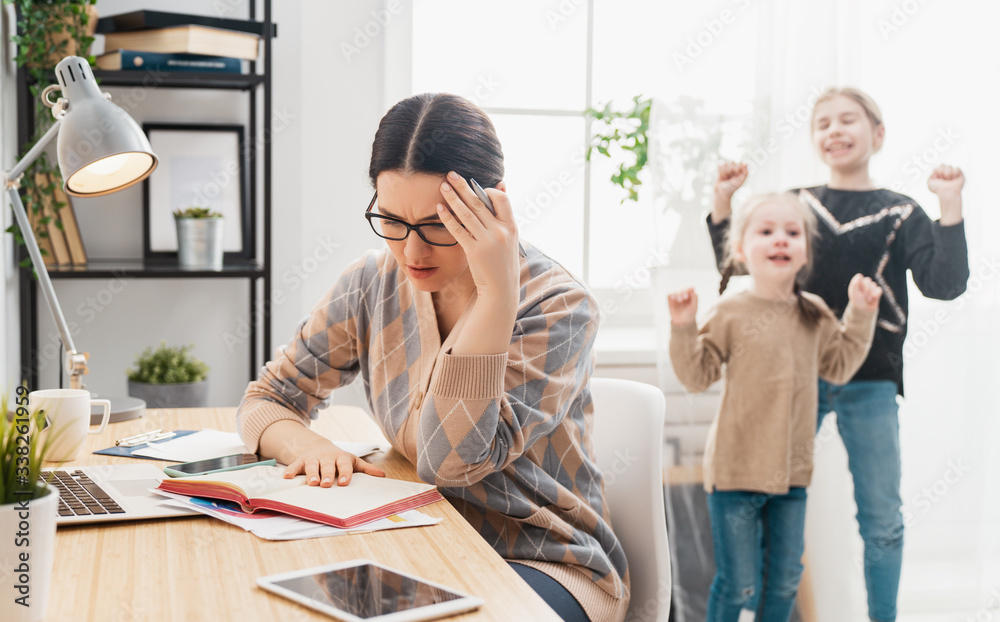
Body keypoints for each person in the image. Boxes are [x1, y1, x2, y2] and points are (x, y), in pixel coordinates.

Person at [237, 93, 628, 622]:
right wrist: (304, 443)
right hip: (421, 538)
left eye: (437, 224)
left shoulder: (559, 308)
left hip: (543, 561)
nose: (411, 252)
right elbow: (268, 398)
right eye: (392, 220)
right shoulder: (371, 283)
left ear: (492, 207)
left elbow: (451, 460)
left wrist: (494, 296)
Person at [708, 87, 970, 622]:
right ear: (814, 140)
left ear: (877, 134)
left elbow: (945, 284)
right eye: (822, 123)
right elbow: (737, 261)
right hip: (795, 379)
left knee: (882, 518)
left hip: (871, 379)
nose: (834, 130)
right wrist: (722, 203)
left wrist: (949, 206)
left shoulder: (903, 211)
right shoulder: (795, 203)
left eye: (848, 119)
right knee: (767, 492)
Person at [669, 192, 881, 621]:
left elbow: (838, 367)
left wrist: (860, 313)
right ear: (742, 249)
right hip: (734, 474)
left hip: (791, 476)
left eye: (792, 232)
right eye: (766, 232)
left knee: (784, 579)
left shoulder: (815, 314)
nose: (780, 240)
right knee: (738, 583)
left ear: (805, 249)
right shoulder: (730, 311)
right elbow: (696, 376)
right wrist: (683, 326)